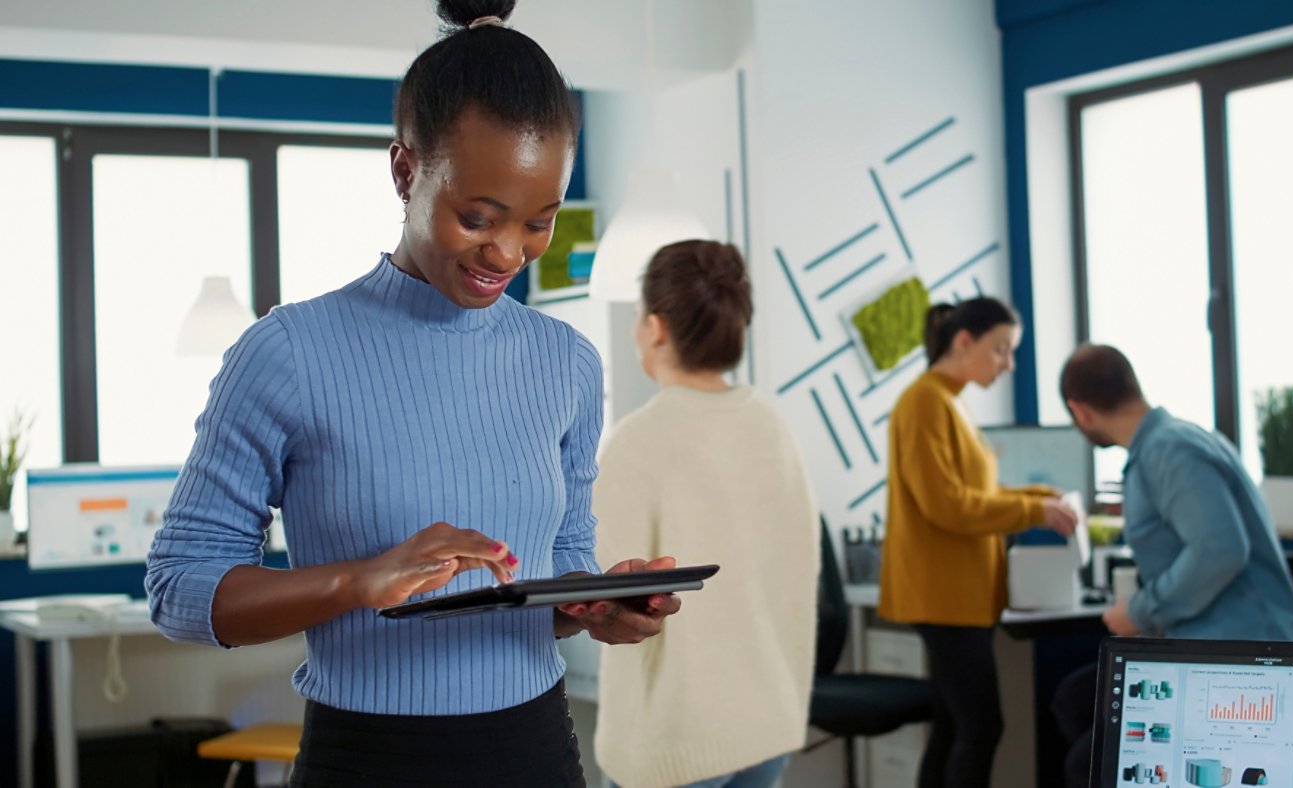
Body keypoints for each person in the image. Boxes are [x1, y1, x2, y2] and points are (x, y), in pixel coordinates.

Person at [145, 3, 679, 785]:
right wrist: (360, 580)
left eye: (539, 223)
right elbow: (179, 589)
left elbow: (559, 565)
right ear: (404, 170)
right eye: (478, 216)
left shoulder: (564, 360)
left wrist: (593, 604)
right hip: (365, 760)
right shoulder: (287, 353)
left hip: (535, 753)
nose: (508, 253)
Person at [589, 240, 820, 788]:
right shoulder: (771, 427)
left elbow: (603, 595)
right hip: (766, 722)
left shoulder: (639, 440)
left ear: (657, 327)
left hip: (674, 738)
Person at [1053, 343, 1293, 784]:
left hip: (1240, 653)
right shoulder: (1178, 440)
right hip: (1205, 643)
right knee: (1073, 700)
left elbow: (1219, 549)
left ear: (1081, 411)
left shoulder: (1168, 451)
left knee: (1084, 763)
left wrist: (1138, 610)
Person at [877, 297, 1079, 788]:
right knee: (982, 726)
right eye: (1001, 350)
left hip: (962, 598)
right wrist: (1034, 510)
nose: (1008, 365)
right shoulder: (925, 401)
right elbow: (947, 505)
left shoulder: (951, 401)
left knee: (955, 727)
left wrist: (1038, 496)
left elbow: (977, 494)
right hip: (945, 599)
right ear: (964, 341)